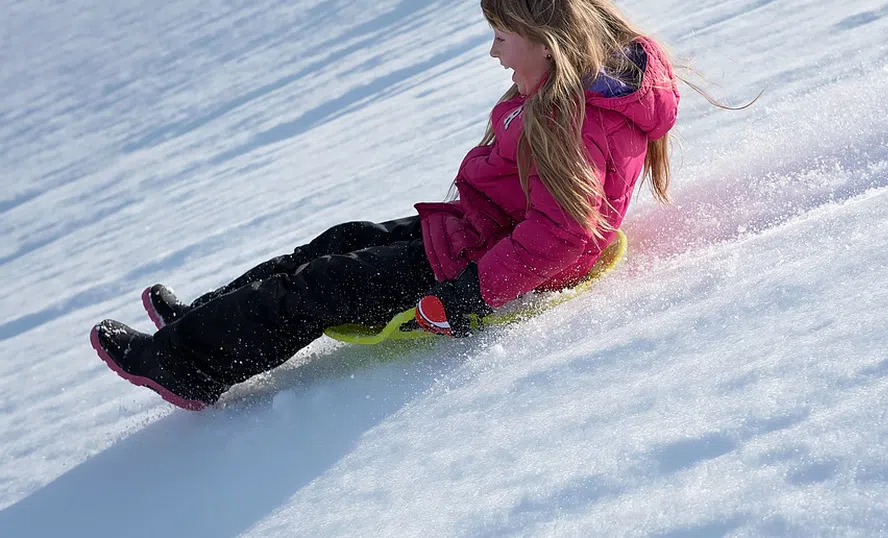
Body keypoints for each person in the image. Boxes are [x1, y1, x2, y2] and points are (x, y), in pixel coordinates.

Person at [91, 0, 681, 410]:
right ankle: (201, 319)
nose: (494, 54)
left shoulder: (570, 120)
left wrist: (470, 296)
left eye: (503, 37)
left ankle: (187, 366)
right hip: (481, 234)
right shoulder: (578, 93)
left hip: (479, 267)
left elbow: (560, 238)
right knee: (338, 241)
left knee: (317, 286)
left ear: (549, 46)